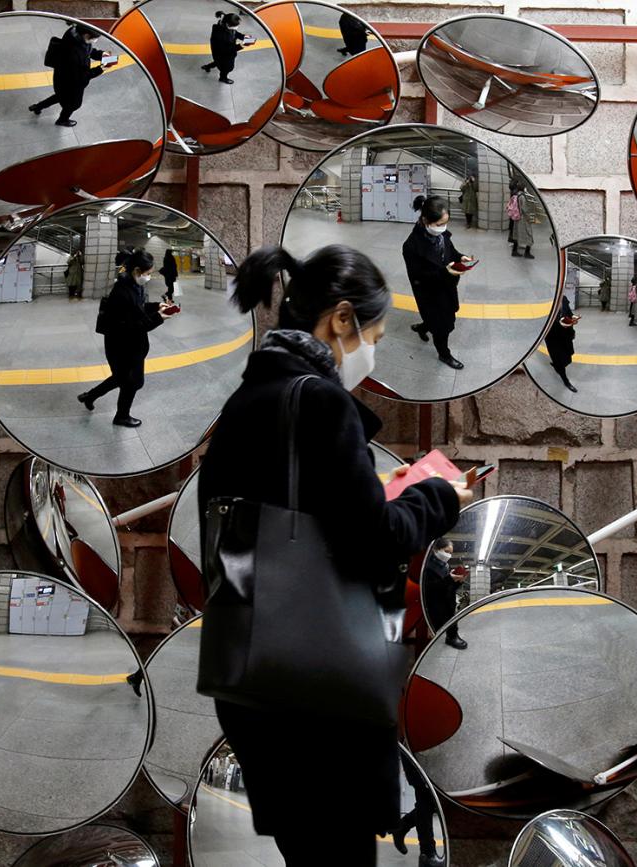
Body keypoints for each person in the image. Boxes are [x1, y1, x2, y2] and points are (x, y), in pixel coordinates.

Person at [197, 243, 470, 867]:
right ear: (340, 320)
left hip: (254, 679)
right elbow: (374, 540)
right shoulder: (318, 402)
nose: (371, 354)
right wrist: (436, 496)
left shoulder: (248, 400)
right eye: (372, 334)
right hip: (316, 691)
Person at [78, 249, 178, 427]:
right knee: (131, 382)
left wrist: (156, 306)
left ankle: (90, 396)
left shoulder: (133, 285)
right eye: (147, 273)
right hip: (122, 348)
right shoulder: (122, 292)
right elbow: (131, 327)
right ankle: (121, 416)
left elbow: (137, 308)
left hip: (132, 347)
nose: (149, 277)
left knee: (122, 379)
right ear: (137, 271)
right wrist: (159, 318)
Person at [404, 195, 474, 371]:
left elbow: (449, 250)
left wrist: (460, 257)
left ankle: (422, 327)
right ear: (425, 220)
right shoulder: (411, 246)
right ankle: (444, 354)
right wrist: (445, 272)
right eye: (439, 224)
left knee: (440, 317)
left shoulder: (441, 235)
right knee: (442, 326)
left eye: (445, 223)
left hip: (446, 285)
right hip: (430, 293)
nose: (443, 228)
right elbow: (418, 276)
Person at [29, 24, 108, 127]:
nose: (95, 41)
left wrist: (102, 55)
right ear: (87, 35)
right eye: (95, 39)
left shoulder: (73, 34)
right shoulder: (74, 55)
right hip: (72, 84)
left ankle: (38, 107)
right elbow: (83, 77)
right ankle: (62, 120)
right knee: (73, 104)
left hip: (62, 79)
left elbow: (87, 50)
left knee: (60, 96)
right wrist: (101, 68)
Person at [392, 752, 443, 867]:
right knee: (425, 799)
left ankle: (402, 827)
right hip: (416, 752)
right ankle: (427, 854)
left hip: (428, 753)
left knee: (432, 802)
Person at [422, 538, 466, 650]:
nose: (448, 555)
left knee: (452, 620)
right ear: (436, 549)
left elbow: (448, 585)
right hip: (435, 602)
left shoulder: (445, 566)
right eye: (446, 551)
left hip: (448, 600)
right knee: (436, 625)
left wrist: (457, 582)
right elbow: (429, 588)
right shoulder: (427, 566)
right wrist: (449, 579)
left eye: (451, 553)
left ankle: (452, 637)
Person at [544, 296, 579, 393]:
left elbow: (569, 314)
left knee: (567, 357)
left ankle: (557, 365)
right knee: (558, 358)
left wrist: (573, 320)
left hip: (565, 335)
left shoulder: (563, 298)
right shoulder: (546, 301)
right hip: (552, 337)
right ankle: (566, 380)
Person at [202, 12, 245, 85]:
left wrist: (243, 37)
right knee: (227, 68)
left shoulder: (225, 25)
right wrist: (240, 46)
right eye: (235, 26)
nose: (236, 27)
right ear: (228, 25)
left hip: (219, 55)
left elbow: (235, 33)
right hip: (223, 54)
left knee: (218, 62)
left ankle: (207, 67)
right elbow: (225, 50)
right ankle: (223, 77)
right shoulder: (220, 35)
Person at [506, 182, 535, 259]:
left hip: (517, 218)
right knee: (529, 235)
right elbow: (525, 209)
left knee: (516, 235)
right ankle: (527, 253)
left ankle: (514, 251)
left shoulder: (516, 195)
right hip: (523, 219)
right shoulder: (522, 196)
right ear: (524, 188)